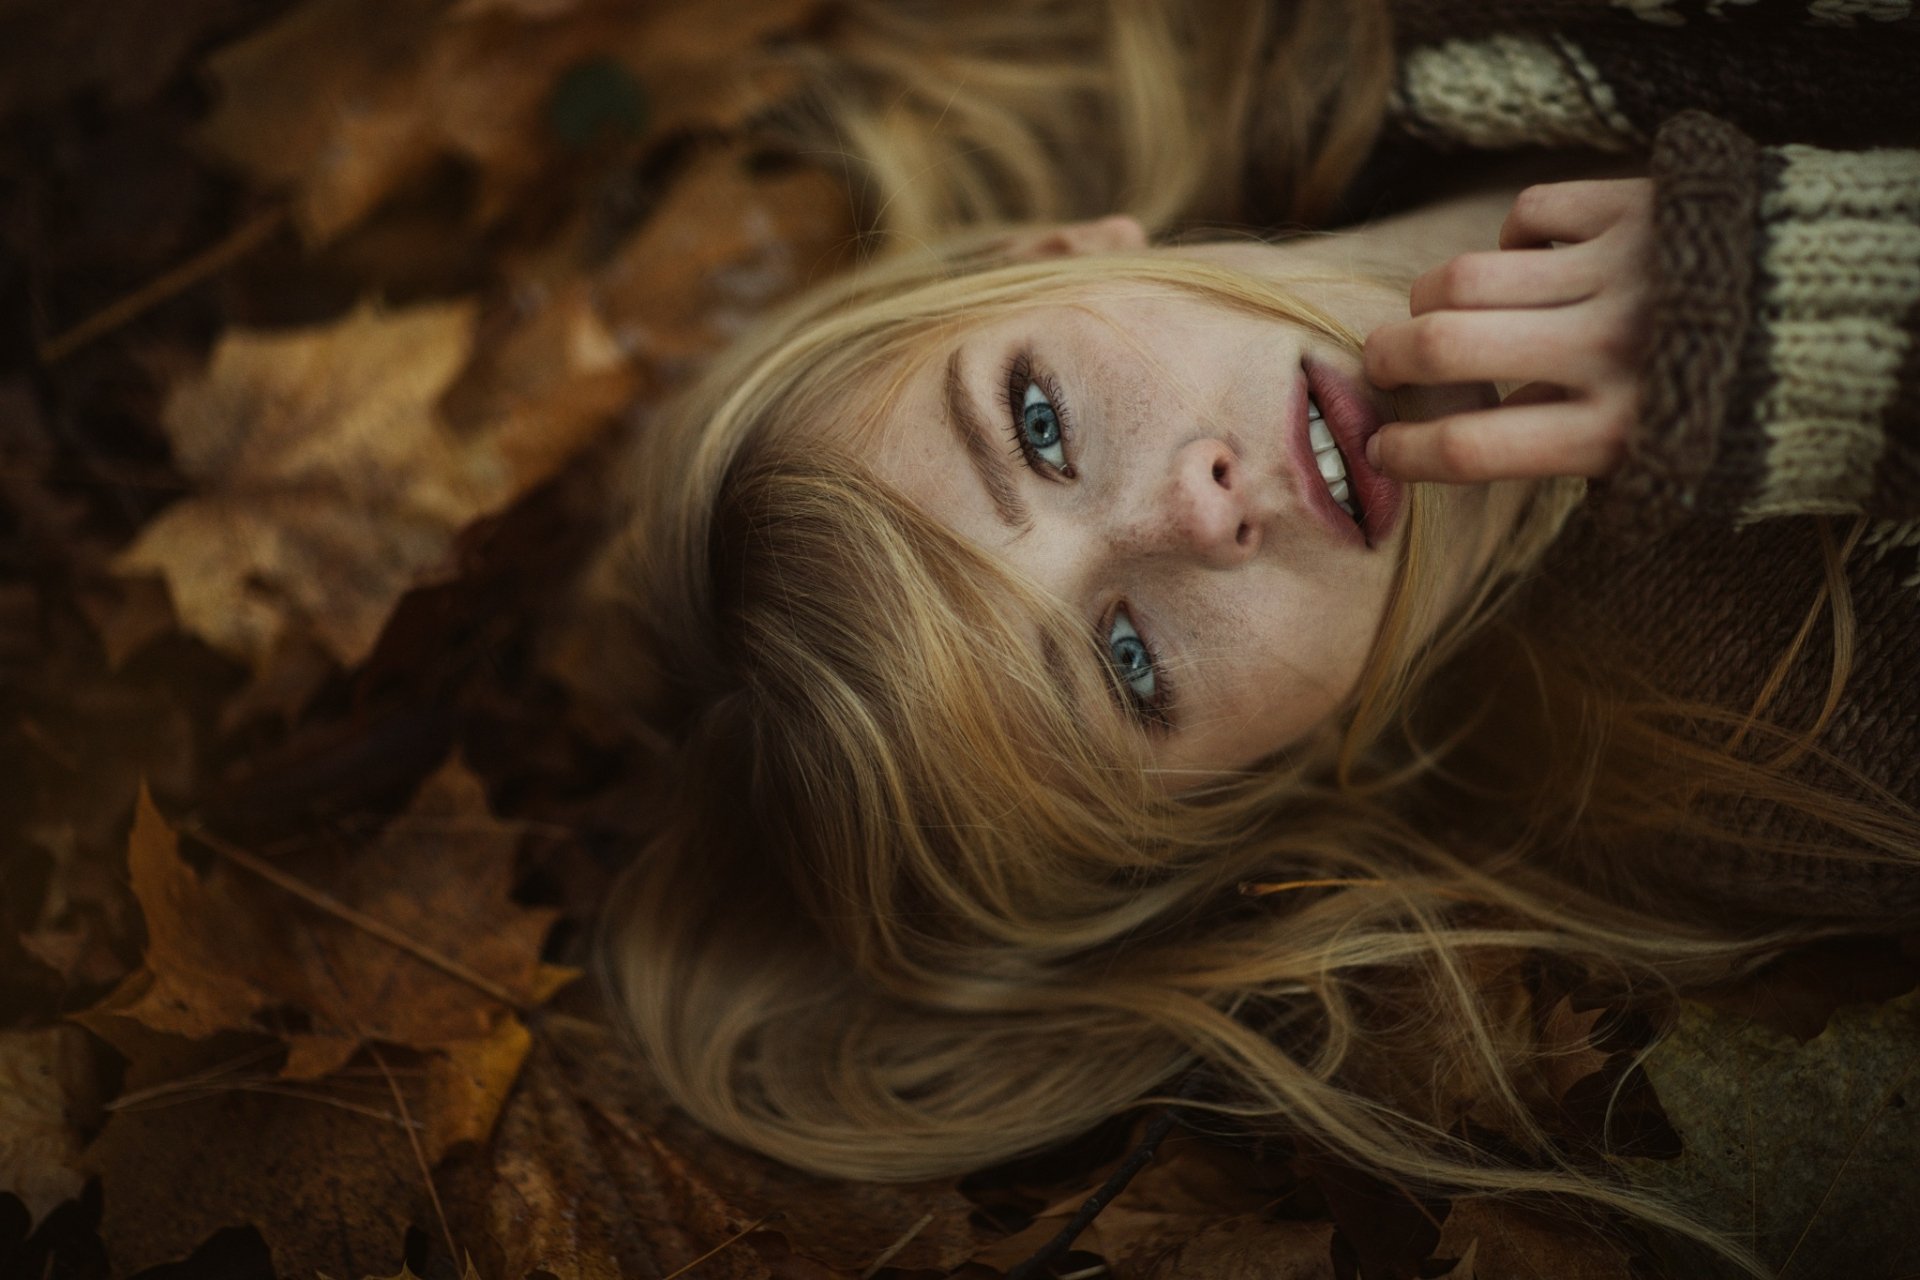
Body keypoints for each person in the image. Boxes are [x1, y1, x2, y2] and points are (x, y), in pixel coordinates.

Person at [581, 0, 1920, 1264]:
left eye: (1039, 423)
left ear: (1053, 256)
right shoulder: (1777, 743)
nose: (1193, 510)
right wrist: (1836, 329)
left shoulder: (1356, 32)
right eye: (1128, 664)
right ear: (1250, 780)